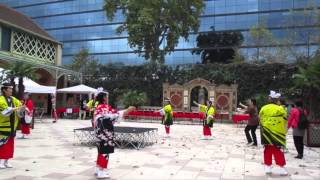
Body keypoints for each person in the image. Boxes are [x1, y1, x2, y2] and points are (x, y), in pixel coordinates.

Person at [259, 90, 288, 176]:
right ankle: (281, 168)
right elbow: (285, 120)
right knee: (277, 150)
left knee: (267, 148)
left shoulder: (263, 108)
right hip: (277, 133)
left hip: (266, 132)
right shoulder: (281, 109)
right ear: (277, 100)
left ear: (269, 99)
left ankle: (267, 167)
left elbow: (260, 118)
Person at [93, 92, 116, 179]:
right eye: (106, 96)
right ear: (103, 98)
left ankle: (98, 169)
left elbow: (94, 120)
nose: (107, 98)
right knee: (105, 152)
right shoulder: (105, 107)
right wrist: (126, 111)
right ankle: (101, 172)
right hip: (106, 133)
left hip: (98, 132)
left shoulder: (97, 107)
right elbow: (114, 115)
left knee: (100, 151)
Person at [0, 83, 23, 169]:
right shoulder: (0, 99)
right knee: (3, 143)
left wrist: (23, 108)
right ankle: (1, 161)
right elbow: (5, 110)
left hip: (13, 125)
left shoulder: (13, 99)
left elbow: (20, 105)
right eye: (9, 89)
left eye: (11, 89)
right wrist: (15, 108)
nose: (11, 90)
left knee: (10, 143)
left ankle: (7, 160)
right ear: (4, 90)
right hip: (3, 126)